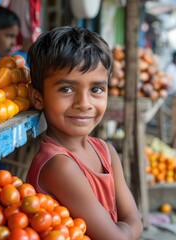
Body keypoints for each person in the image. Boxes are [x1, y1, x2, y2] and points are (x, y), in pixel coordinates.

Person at [26, 26, 143, 240]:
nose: (84, 104)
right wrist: (126, 230)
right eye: (67, 89)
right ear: (38, 97)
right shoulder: (59, 165)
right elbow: (120, 234)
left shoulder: (106, 151)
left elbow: (135, 218)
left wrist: (126, 229)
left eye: (96, 89)